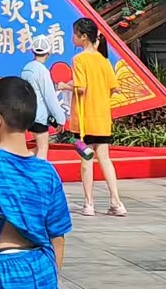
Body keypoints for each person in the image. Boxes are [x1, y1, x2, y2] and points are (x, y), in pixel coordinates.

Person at [0, 76, 71, 289]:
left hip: (4, 268)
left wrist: (1, 209)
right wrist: (55, 276)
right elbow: (58, 232)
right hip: (43, 265)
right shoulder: (46, 171)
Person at [69, 19, 125, 217]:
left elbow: (81, 89)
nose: (73, 37)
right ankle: (116, 201)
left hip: (85, 120)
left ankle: (89, 203)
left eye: (75, 33)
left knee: (86, 160)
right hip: (102, 117)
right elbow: (114, 87)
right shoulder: (103, 60)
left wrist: (66, 86)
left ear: (84, 37)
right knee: (105, 159)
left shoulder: (79, 60)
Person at [18, 34, 67, 163]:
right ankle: (38, 179)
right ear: (48, 52)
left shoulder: (26, 69)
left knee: (37, 148)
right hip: (40, 116)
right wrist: (60, 119)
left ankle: (18, 163)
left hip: (29, 115)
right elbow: (49, 97)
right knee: (43, 149)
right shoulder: (43, 71)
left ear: (32, 51)